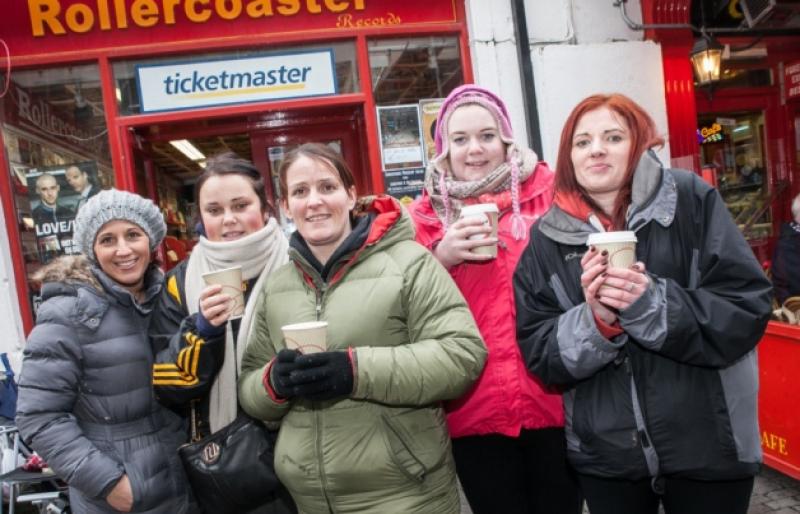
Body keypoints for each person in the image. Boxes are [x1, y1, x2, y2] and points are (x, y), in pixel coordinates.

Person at [513, 93, 773, 514]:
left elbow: (746, 307)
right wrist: (595, 321)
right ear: (568, 157)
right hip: (608, 459)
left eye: (613, 137)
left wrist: (652, 306)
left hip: (710, 445)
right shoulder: (546, 239)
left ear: (637, 145)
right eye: (582, 142)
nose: (596, 149)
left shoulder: (689, 199)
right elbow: (539, 352)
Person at [238, 143, 487, 513]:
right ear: (287, 207)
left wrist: (354, 371)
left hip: (405, 495)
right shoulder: (277, 287)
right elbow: (249, 388)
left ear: (351, 194)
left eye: (327, 187)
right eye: (300, 192)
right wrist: (275, 382)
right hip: (310, 500)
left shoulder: (409, 262)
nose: (315, 201)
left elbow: (462, 354)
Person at [407, 84, 581, 514]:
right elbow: (401, 308)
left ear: (506, 141)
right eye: (460, 139)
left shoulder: (554, 196)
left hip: (554, 398)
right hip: (473, 409)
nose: (475, 149)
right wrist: (439, 259)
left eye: (487, 136)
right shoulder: (422, 219)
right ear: (443, 150)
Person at [16, 189, 196, 514]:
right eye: (107, 240)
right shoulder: (67, 312)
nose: (123, 250)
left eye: (132, 235)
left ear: (151, 241)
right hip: (120, 494)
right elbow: (39, 417)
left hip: (182, 479)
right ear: (92, 249)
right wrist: (109, 484)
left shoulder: (169, 299)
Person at [148, 152, 295, 513]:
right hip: (230, 463)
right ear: (201, 218)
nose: (229, 219)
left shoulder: (300, 261)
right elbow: (168, 386)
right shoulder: (180, 283)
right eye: (214, 210)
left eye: (241, 205)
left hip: (302, 447)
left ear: (265, 208)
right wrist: (202, 331)